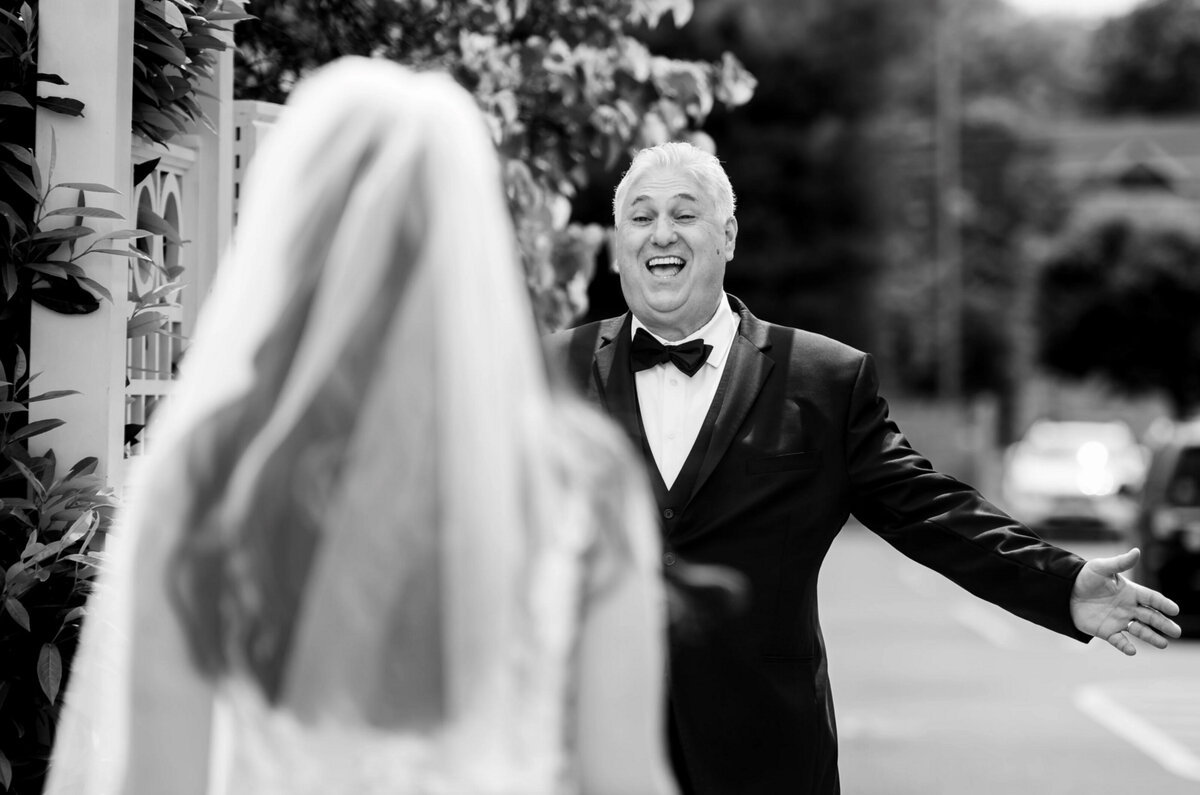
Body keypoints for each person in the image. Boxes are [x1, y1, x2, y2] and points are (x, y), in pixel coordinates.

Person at [45, 57, 676, 795]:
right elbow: (626, 778)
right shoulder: (577, 482)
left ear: (291, 242)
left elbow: (154, 783)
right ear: (470, 249)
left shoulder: (208, 474)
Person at [545, 140, 1183, 795]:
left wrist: (1061, 582)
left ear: (728, 235)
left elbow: (930, 509)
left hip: (766, 754)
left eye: (685, 214)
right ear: (619, 242)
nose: (661, 234)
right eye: (641, 217)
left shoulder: (822, 378)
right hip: (580, 750)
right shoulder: (546, 373)